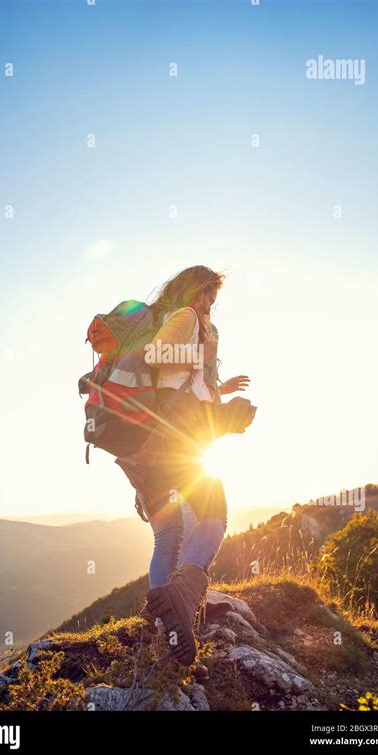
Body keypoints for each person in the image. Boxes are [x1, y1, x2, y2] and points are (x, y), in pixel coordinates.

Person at [138, 266, 255, 666]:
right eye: (208, 297)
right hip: (176, 438)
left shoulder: (176, 318)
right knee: (214, 515)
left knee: (168, 535)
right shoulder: (185, 317)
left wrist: (218, 389)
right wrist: (200, 354)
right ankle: (183, 598)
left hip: (150, 441)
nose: (210, 307)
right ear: (196, 291)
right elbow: (156, 355)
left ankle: (165, 627)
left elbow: (173, 382)